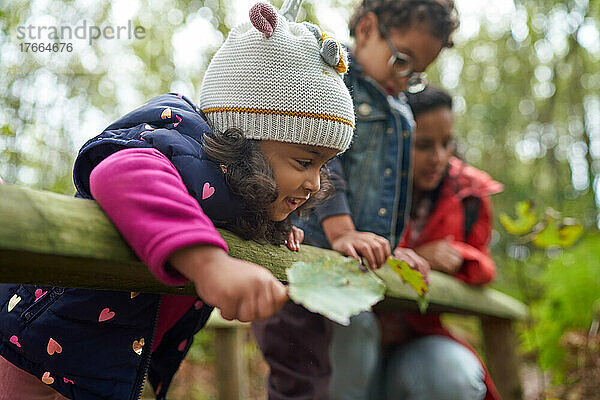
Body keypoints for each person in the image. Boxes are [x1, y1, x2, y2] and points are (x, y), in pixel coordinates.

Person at [0, 3, 355, 399]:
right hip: (33, 348)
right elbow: (119, 172)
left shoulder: (239, 194)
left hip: (96, 363)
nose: (314, 182)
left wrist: (269, 239)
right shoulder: (181, 151)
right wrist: (211, 265)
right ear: (244, 142)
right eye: (305, 162)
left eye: (323, 166)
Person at [252, 1, 459, 399]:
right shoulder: (332, 79)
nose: (406, 79)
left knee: (343, 371)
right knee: (302, 378)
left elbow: (386, 196)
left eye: (417, 73)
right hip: (307, 250)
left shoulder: (398, 109)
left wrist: (390, 248)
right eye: (402, 61)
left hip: (346, 271)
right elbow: (325, 158)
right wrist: (343, 229)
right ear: (366, 29)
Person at [329, 86, 504, 400]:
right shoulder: (363, 178)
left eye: (446, 143)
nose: (438, 157)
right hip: (347, 341)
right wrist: (413, 256)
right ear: (398, 139)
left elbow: (484, 267)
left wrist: (455, 256)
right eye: (424, 145)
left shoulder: (469, 194)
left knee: (455, 376)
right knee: (356, 327)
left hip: (418, 341)